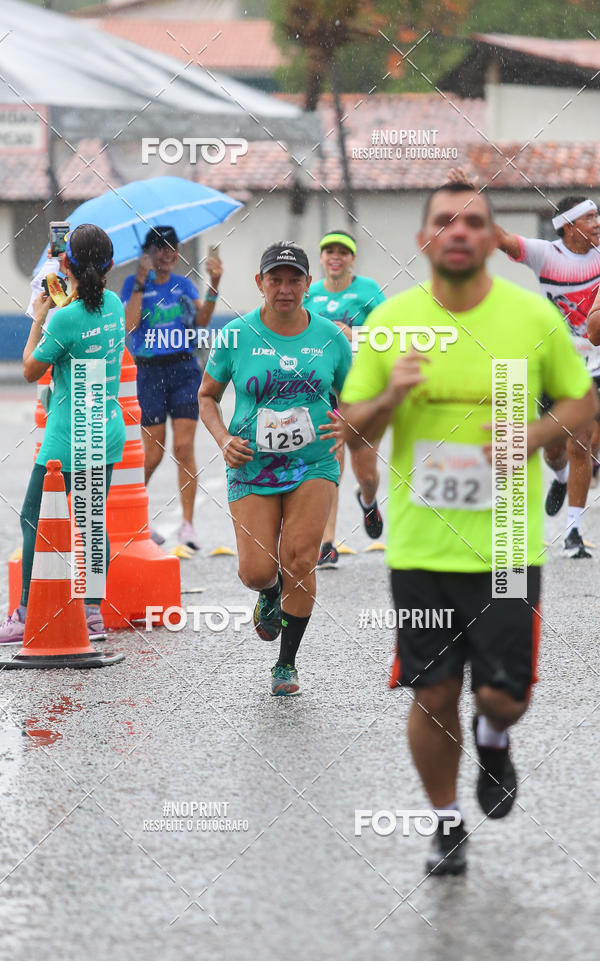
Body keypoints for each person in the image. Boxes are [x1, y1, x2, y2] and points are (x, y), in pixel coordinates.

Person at [340, 181, 597, 875]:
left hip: (509, 542)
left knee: (504, 695)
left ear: (493, 239)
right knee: (432, 690)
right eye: (445, 220)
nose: (459, 230)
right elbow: (348, 424)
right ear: (425, 237)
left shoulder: (529, 316)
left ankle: (493, 736)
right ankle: (447, 821)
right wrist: (391, 393)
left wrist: (533, 432)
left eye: (475, 221)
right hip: (422, 546)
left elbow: (582, 398)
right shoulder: (393, 321)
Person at [199, 242, 351, 696]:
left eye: (294, 279)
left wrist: (349, 426)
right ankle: (270, 590)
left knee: (303, 558)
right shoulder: (236, 336)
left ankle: (286, 664)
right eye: (275, 279)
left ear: (308, 283)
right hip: (252, 465)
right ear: (260, 283)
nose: (285, 289)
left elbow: (354, 397)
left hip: (314, 463)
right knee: (256, 571)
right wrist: (224, 439)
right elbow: (207, 396)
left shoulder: (332, 338)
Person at [450, 170, 600, 557]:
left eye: (598, 216)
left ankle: (573, 533)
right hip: (558, 360)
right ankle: (561, 476)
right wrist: (472, 192)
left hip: (595, 361)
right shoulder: (545, 254)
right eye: (590, 217)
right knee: (554, 450)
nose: (598, 223)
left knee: (581, 441)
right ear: (567, 227)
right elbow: (496, 237)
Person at [0, 224, 126, 644]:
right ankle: (92, 616)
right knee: (92, 523)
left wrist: (40, 318)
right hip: (104, 431)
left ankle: (23, 613)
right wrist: (70, 287)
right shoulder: (115, 305)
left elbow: (32, 369)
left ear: (66, 262)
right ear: (109, 265)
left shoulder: (64, 318)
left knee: (34, 519)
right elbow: (88, 324)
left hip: (67, 437)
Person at [121, 226, 223, 550]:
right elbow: (130, 325)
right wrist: (139, 280)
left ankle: (188, 525)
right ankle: (133, 518)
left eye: (172, 248)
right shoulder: (134, 285)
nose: (167, 254)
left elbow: (203, 320)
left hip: (184, 370)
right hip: (149, 373)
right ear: (148, 254)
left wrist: (215, 284)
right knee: (152, 453)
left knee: (183, 449)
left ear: (177, 254)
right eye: (159, 248)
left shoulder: (182, 285)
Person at [304, 230, 386, 568]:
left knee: (365, 470)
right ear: (321, 258)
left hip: (363, 389)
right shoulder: (309, 293)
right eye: (329, 251)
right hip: (325, 390)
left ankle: (368, 501)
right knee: (329, 463)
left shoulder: (368, 291)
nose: (335, 257)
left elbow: (389, 335)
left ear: (352, 258)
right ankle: (326, 542)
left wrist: (355, 335)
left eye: (343, 252)